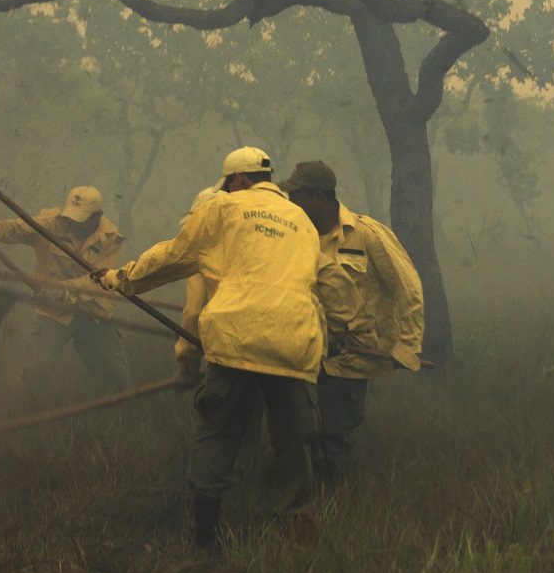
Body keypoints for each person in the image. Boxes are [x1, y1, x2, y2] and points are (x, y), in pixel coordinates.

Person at [94, 147, 357, 551]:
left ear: (235, 180)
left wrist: (119, 280)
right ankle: (291, 533)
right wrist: (339, 329)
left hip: (236, 339)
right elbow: (330, 283)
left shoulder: (222, 209)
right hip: (294, 344)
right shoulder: (302, 223)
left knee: (218, 433)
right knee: (293, 443)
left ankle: (205, 538)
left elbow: (171, 257)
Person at [278, 159, 424, 488]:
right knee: (303, 432)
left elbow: (408, 291)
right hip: (307, 355)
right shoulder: (295, 237)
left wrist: (407, 347)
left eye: (296, 196)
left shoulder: (366, 235)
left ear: (317, 197)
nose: (290, 203)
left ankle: (339, 504)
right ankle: (311, 498)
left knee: (335, 433)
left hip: (352, 358)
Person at [0, 185, 131, 399]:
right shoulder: (52, 223)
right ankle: (29, 408)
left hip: (93, 313)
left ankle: (112, 411)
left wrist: (64, 292)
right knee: (36, 373)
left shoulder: (111, 238)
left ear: (98, 217)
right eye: (71, 217)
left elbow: (98, 281)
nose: (73, 223)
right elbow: (21, 228)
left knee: (120, 381)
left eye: (81, 219)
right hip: (53, 312)